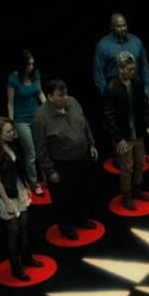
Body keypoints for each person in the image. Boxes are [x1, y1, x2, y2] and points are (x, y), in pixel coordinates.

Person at [31, 79, 97, 241]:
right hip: (61, 164)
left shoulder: (73, 103)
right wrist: (50, 170)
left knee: (83, 191)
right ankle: (66, 226)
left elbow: (85, 123)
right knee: (63, 198)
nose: (65, 98)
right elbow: (40, 148)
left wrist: (91, 144)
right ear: (50, 96)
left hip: (81, 158)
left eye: (66, 94)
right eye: (60, 95)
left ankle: (82, 219)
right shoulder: (40, 118)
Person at [0, 117, 40, 280]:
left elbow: (18, 169)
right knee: (13, 233)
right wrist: (7, 201)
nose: (12, 133)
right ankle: (16, 267)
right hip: (6, 194)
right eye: (8, 131)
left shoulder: (11, 145)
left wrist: (26, 186)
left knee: (24, 226)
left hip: (19, 189)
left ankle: (26, 257)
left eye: (12, 130)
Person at [103, 51, 149, 208]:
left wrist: (148, 126)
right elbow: (109, 116)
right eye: (129, 69)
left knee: (140, 163)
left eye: (134, 69)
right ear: (120, 69)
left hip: (137, 133)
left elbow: (143, 107)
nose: (132, 72)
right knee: (126, 167)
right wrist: (118, 138)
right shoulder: (111, 87)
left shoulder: (137, 83)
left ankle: (137, 189)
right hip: (123, 136)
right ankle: (126, 195)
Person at [6, 50, 46, 195]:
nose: (31, 66)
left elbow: (40, 93)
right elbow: (10, 104)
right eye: (29, 64)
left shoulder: (35, 74)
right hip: (21, 120)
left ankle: (46, 177)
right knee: (31, 152)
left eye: (32, 63)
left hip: (36, 117)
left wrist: (48, 110)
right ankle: (34, 183)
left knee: (42, 148)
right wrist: (11, 124)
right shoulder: (13, 79)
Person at [93, 13, 149, 99]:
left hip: (135, 88)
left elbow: (145, 66)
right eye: (119, 26)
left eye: (124, 25)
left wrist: (147, 88)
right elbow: (98, 74)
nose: (123, 28)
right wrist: (106, 94)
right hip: (114, 89)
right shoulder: (102, 46)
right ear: (112, 27)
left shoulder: (136, 42)